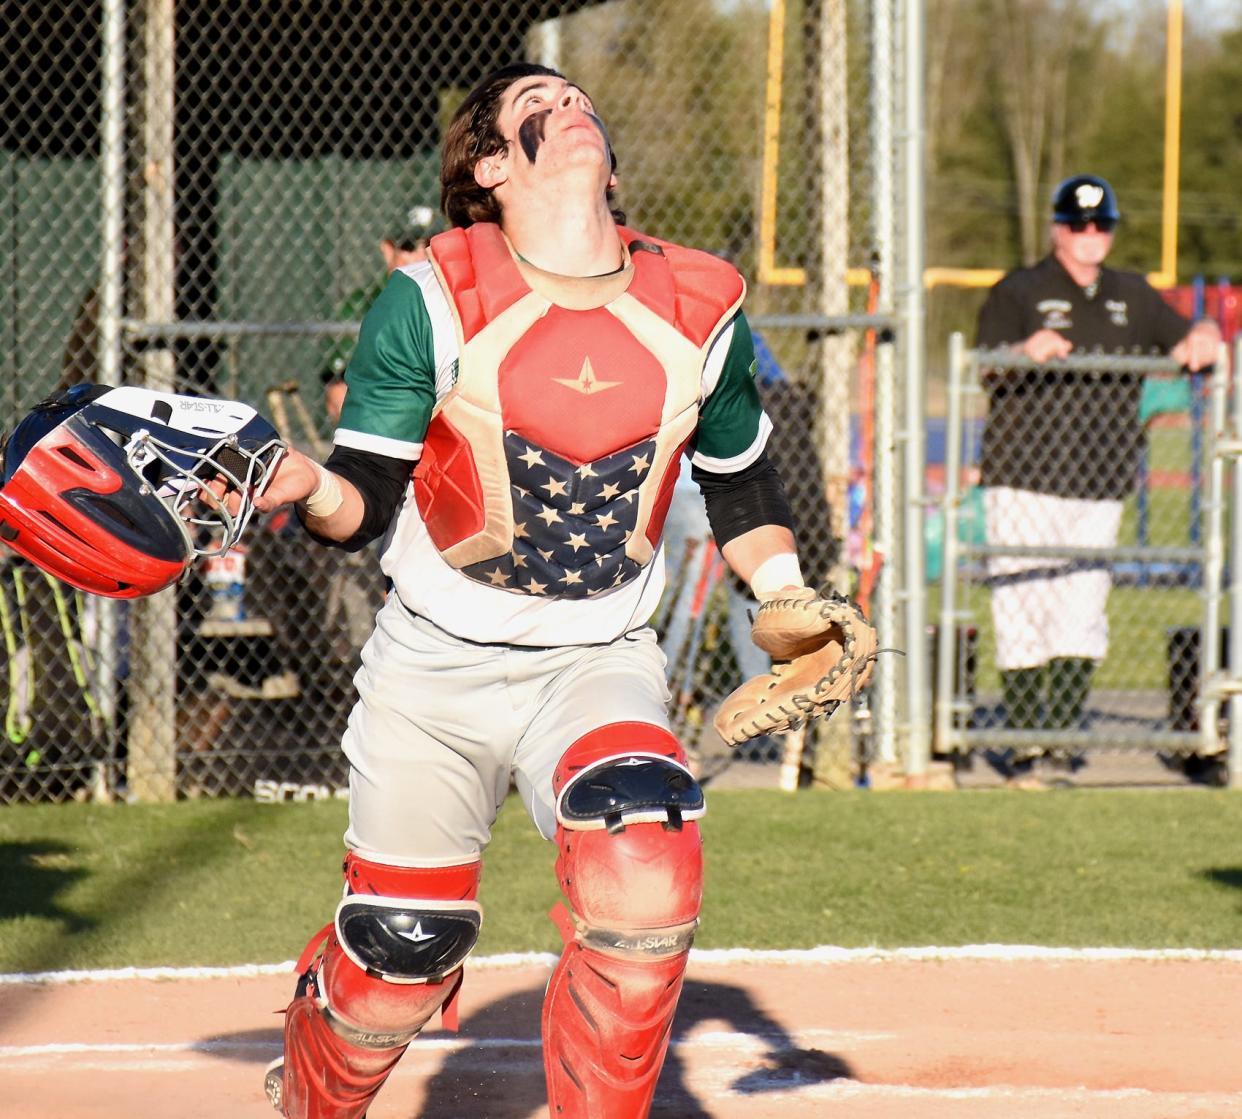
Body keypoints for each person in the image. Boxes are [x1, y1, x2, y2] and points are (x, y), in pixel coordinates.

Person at [253, 62, 824, 1119]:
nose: (569, 111)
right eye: (536, 107)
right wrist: (303, 484)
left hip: (595, 659)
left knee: (645, 857)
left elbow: (745, 488)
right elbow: (365, 501)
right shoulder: (431, 294)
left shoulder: (700, 303)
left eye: (578, 102)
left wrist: (788, 600)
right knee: (401, 955)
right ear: (487, 168)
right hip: (434, 663)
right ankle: (311, 1095)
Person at [976, 173, 1220, 775]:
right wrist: (1020, 352)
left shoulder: (1130, 294)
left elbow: (1191, 336)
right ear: (1058, 228)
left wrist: (1206, 334)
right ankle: (1030, 736)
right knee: (1021, 602)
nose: (1090, 235)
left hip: (1101, 474)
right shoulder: (1020, 289)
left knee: (1082, 606)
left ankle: (1060, 735)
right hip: (1022, 474)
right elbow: (983, 367)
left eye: (1101, 225)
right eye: (1079, 224)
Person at [321, 205, 446, 424]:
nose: (421, 256)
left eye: (430, 245)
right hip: (383, 430)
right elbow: (339, 396)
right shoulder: (362, 304)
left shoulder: (455, 301)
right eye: (408, 246)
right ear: (389, 250)